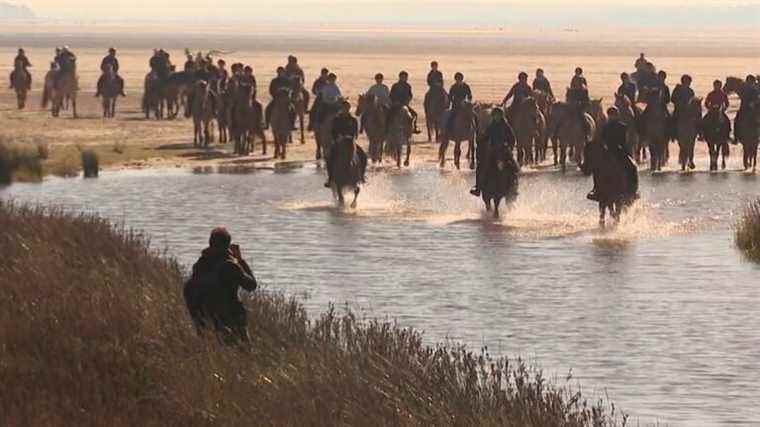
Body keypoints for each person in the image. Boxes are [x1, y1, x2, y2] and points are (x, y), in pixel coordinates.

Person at [185, 227, 258, 344]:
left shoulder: (200, 263)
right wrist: (240, 260)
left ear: (210, 243)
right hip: (231, 317)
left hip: (207, 316)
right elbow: (251, 285)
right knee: (243, 351)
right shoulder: (230, 266)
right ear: (227, 245)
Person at [587, 107, 638, 201]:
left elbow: (602, 140)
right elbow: (623, 142)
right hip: (619, 152)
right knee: (632, 167)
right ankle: (632, 190)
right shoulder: (623, 126)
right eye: (611, 115)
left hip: (608, 152)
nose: (611, 117)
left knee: (597, 169)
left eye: (611, 115)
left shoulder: (606, 126)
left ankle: (596, 190)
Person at [470, 107, 516, 197]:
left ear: (501, 116)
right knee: (481, 166)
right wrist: (480, 139)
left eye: (498, 115)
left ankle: (513, 187)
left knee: (514, 167)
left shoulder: (506, 126)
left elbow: (512, 138)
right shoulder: (491, 126)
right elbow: (486, 136)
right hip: (492, 151)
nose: (496, 117)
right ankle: (478, 188)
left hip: (504, 151)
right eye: (495, 115)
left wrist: (509, 147)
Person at [325, 100, 367, 188]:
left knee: (363, 155)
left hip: (350, 142)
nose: (345, 110)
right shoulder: (336, 119)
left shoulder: (353, 120)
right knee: (329, 156)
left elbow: (356, 133)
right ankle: (330, 178)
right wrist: (338, 137)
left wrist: (352, 137)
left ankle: (362, 176)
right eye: (344, 108)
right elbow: (333, 132)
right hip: (339, 142)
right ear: (341, 108)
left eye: (347, 108)